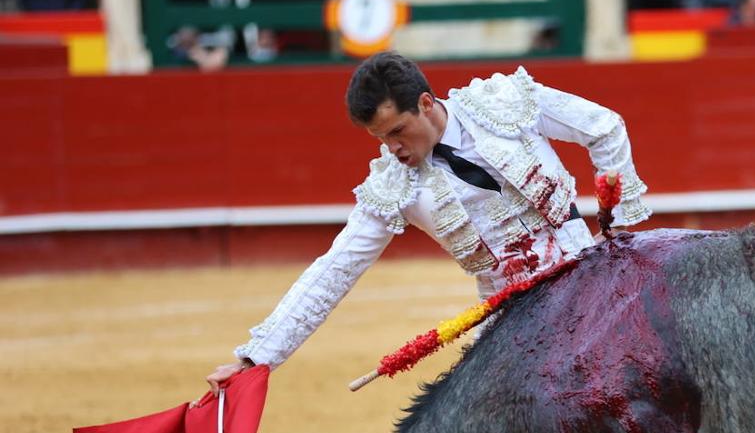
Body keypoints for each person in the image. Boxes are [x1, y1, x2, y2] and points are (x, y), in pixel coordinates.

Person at [203, 52, 650, 393]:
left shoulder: (502, 103)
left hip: (594, 284)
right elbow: (333, 271)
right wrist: (255, 359)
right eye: (380, 139)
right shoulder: (394, 187)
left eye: (397, 131)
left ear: (425, 103)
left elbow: (604, 127)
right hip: (513, 325)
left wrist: (622, 231)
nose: (392, 148)